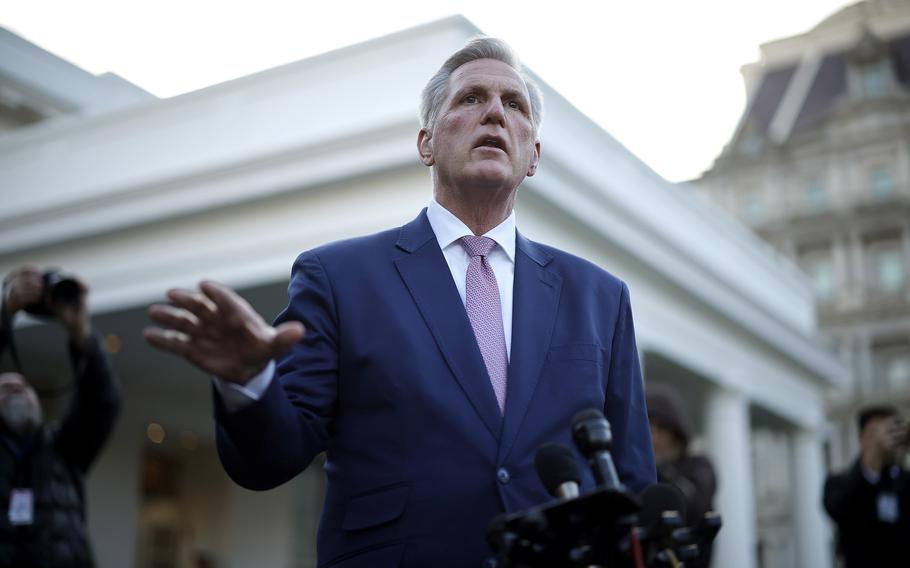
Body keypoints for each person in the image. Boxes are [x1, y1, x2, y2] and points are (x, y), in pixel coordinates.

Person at [145, 37, 656, 567]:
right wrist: (250, 382)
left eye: (514, 105)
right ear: (426, 143)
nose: (494, 114)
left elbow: (632, 482)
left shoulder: (600, 297)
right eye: (470, 99)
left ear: (534, 156)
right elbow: (270, 458)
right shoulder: (338, 277)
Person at [0, 266, 121, 567]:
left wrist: (80, 331)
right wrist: (5, 312)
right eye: (4, 387)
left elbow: (101, 401)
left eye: (23, 387)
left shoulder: (65, 450)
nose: (16, 384)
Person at [823, 405, 909, 568]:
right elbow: (842, 509)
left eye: (894, 431)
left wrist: (901, 454)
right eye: (878, 432)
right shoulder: (838, 483)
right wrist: (872, 461)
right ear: (863, 438)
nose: (889, 438)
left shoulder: (905, 481)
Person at [645, 383, 716, 527]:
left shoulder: (699, 466)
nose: (654, 438)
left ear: (675, 432)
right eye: (648, 428)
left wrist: (660, 470)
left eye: (661, 429)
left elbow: (694, 507)